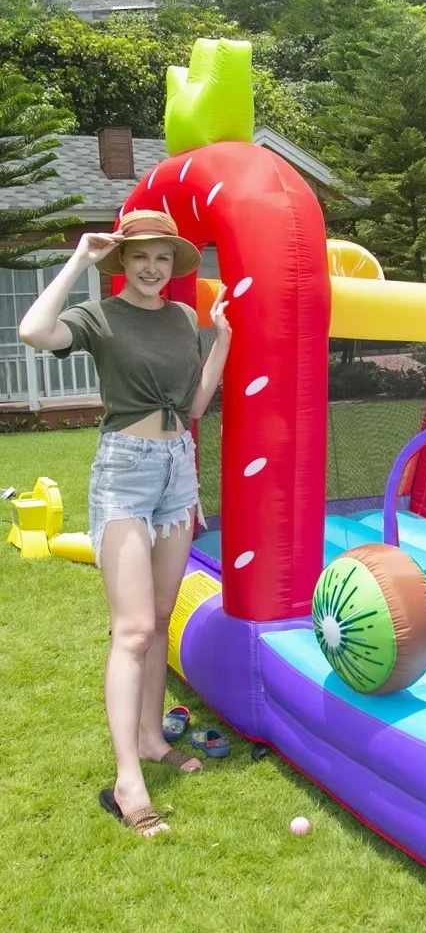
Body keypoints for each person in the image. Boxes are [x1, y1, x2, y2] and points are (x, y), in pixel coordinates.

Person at [18, 210, 232, 837]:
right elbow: (34, 331)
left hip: (177, 470)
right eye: (140, 256)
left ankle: (149, 738)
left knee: (161, 618)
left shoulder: (182, 318)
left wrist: (221, 339)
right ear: (122, 261)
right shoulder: (101, 316)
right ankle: (126, 780)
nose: (152, 267)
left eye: (162, 257)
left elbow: (193, 405)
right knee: (133, 628)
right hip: (125, 472)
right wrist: (79, 259)